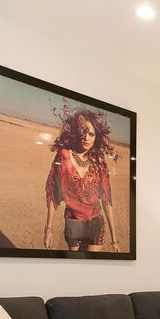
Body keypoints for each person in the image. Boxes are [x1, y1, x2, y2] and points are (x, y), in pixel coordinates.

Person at [43, 108, 118, 252]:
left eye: (91, 134)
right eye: (84, 131)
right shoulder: (63, 156)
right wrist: (49, 229)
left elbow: (107, 202)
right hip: (73, 223)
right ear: (77, 132)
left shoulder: (100, 165)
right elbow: (53, 193)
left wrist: (115, 240)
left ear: (96, 138)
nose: (86, 137)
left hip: (96, 223)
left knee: (91, 269)